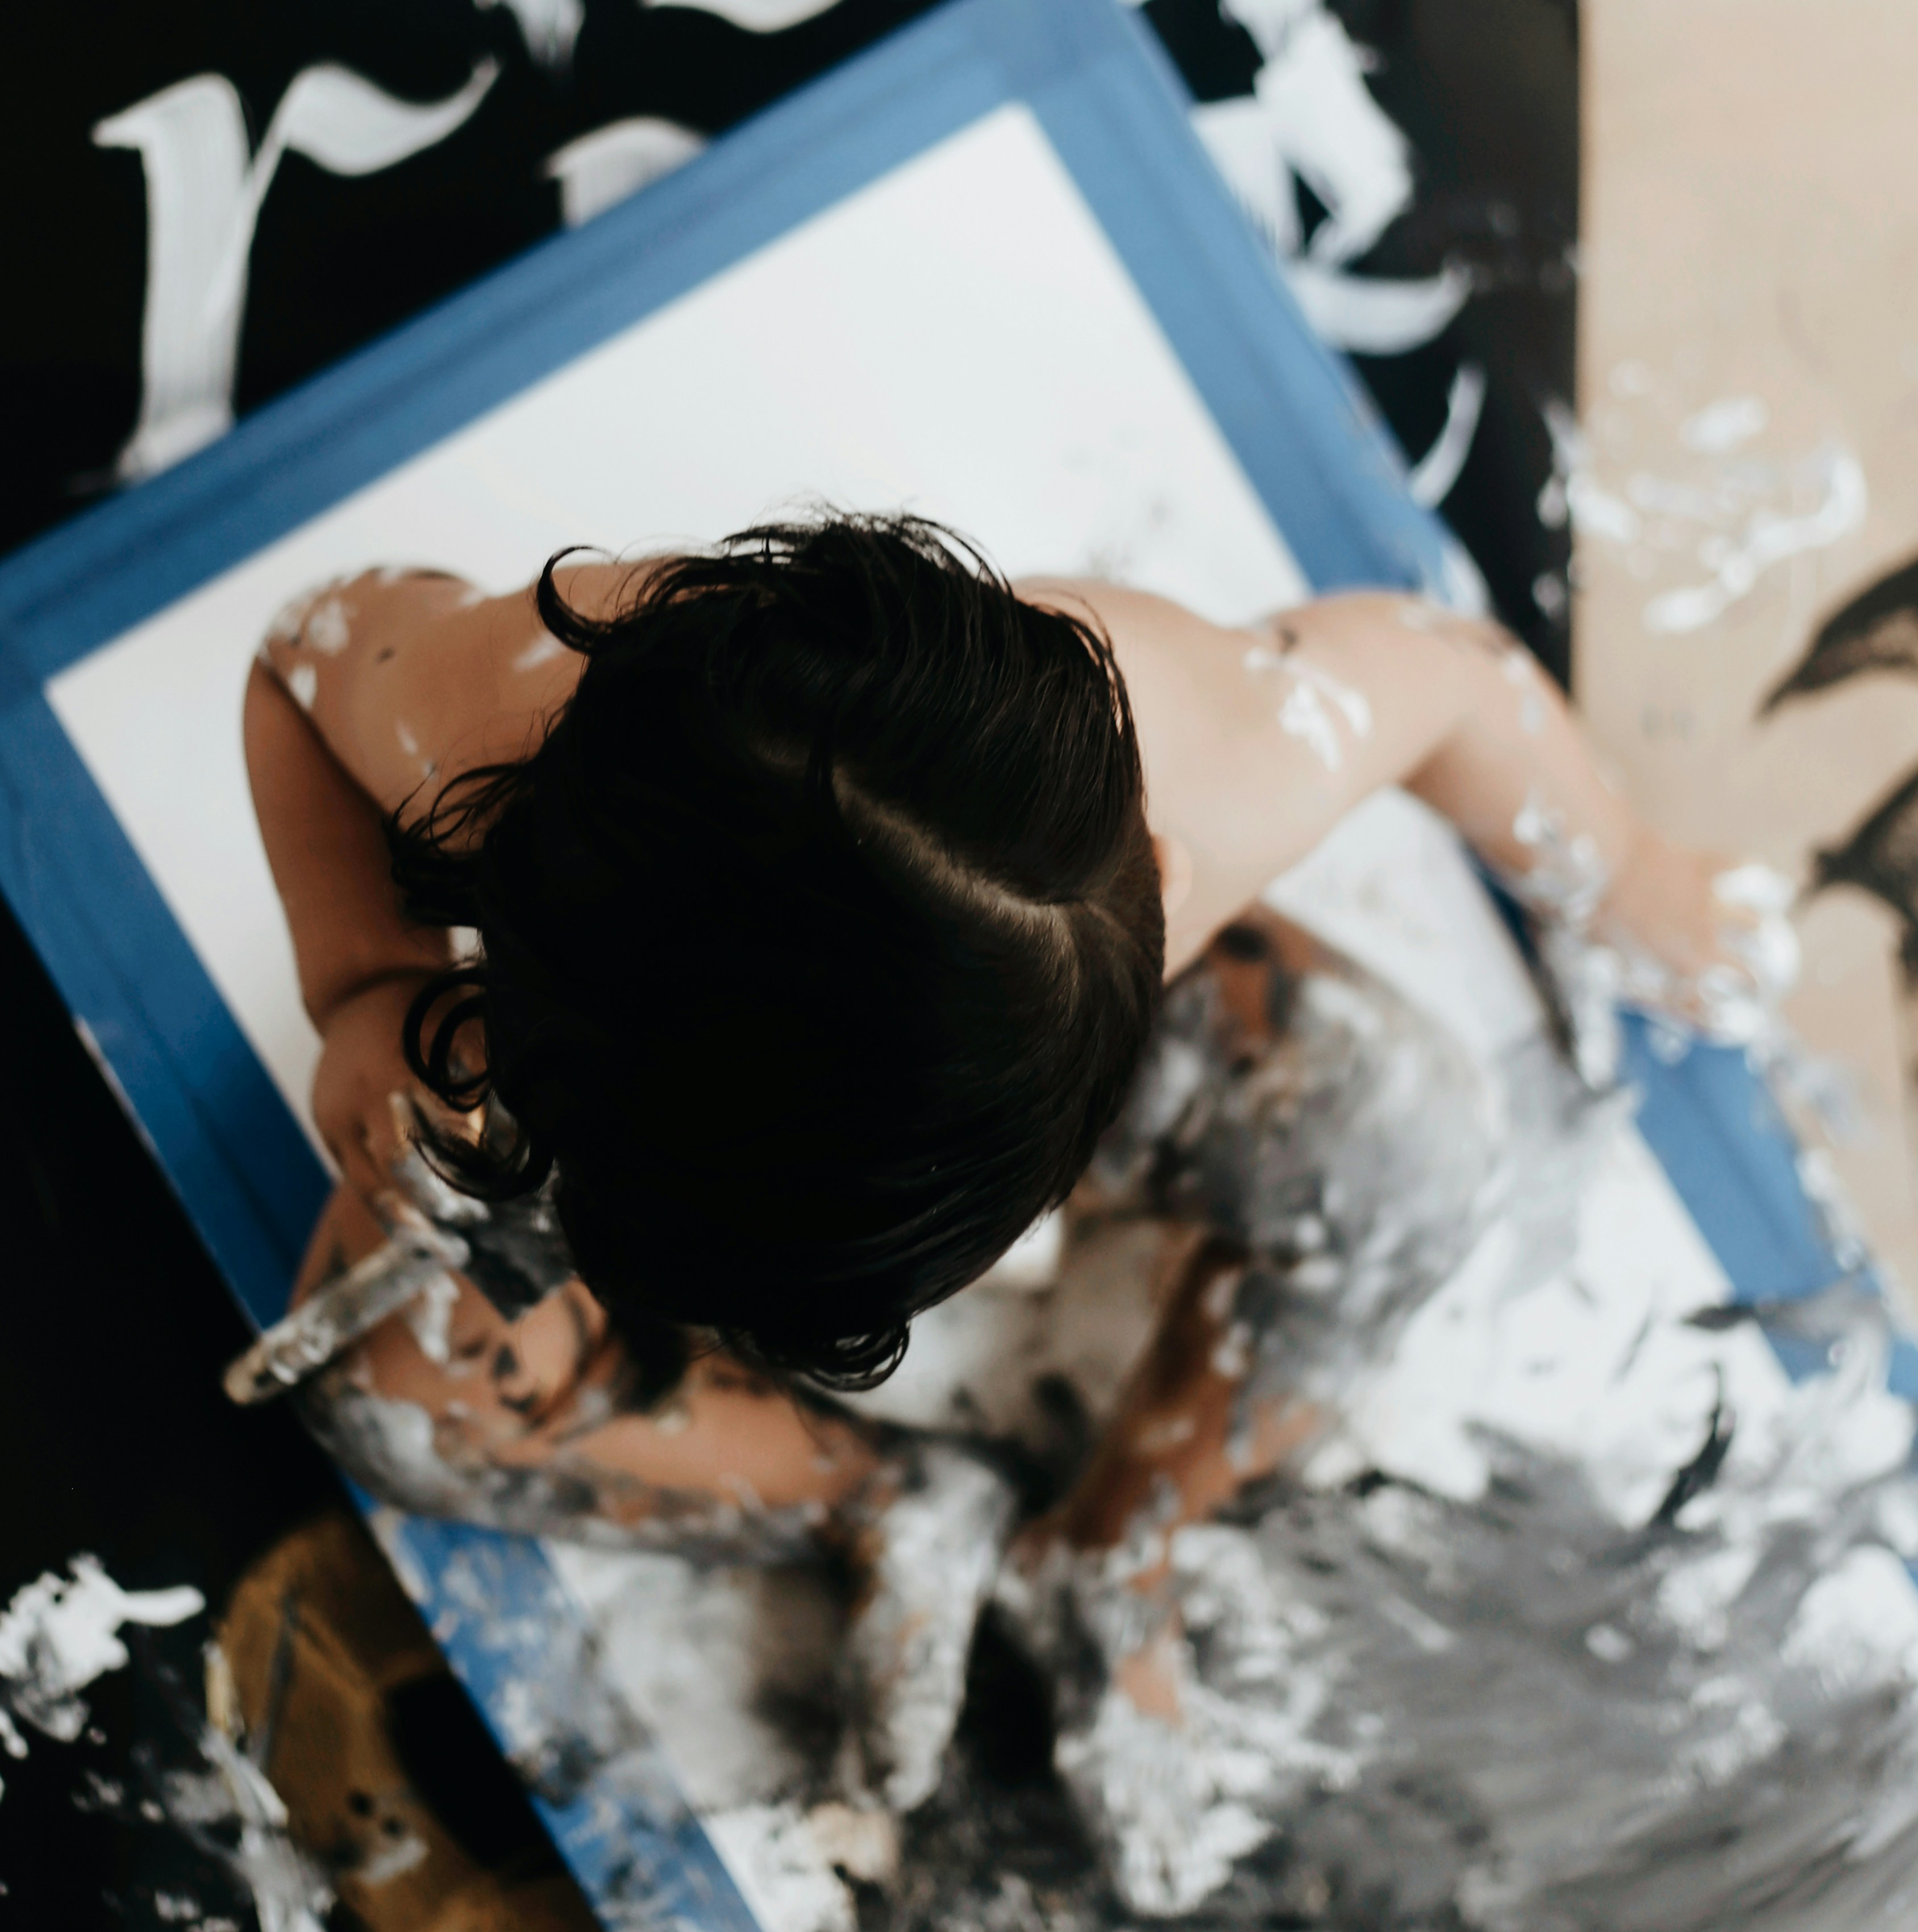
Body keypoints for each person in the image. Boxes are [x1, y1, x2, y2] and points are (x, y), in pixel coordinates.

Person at [246, 514, 1775, 1814]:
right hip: (597, 1094)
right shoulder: (494, 711)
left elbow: (1451, 679)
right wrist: (367, 991)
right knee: (401, 1403)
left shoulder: (1218, 761)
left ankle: (1122, 1544)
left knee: (1404, 1135)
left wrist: (1636, 883)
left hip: (1001, 1009)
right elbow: (295, 663)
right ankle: (880, 1497)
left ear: (1159, 884)